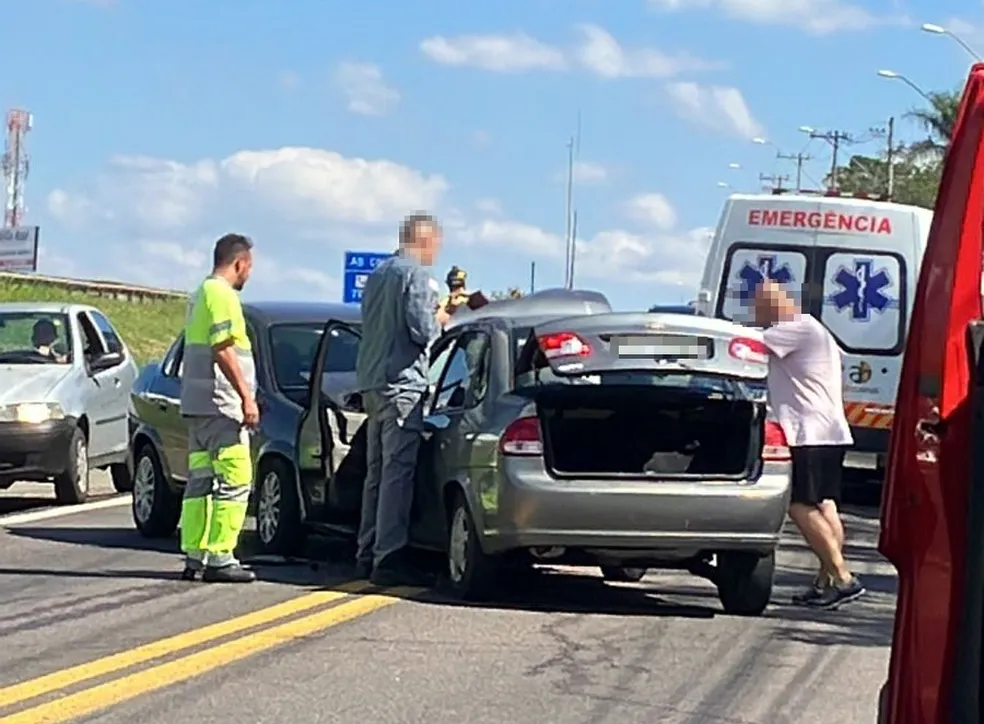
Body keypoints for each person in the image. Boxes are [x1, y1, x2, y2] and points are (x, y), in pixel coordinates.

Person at [754, 280, 865, 609]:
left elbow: (744, 345)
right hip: (829, 431)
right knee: (825, 505)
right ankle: (825, 580)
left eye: (761, 306)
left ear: (778, 305)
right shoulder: (812, 329)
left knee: (800, 505)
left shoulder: (795, 329)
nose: (756, 313)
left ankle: (842, 577)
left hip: (808, 433)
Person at [355, 212, 447, 586]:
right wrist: (441, 315)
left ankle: (366, 550)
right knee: (398, 472)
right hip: (402, 382)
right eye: (436, 245)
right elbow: (423, 331)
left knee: (375, 474)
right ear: (425, 240)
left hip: (372, 381)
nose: (436, 253)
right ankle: (389, 556)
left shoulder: (377, 275)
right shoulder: (417, 275)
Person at [178, 233, 259, 584]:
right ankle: (222, 556)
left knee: (200, 481)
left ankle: (195, 554)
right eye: (249, 267)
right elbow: (223, 348)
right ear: (239, 263)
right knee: (235, 480)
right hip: (221, 406)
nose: (249, 274)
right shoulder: (222, 295)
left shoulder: (200, 294)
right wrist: (246, 397)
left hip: (197, 407)